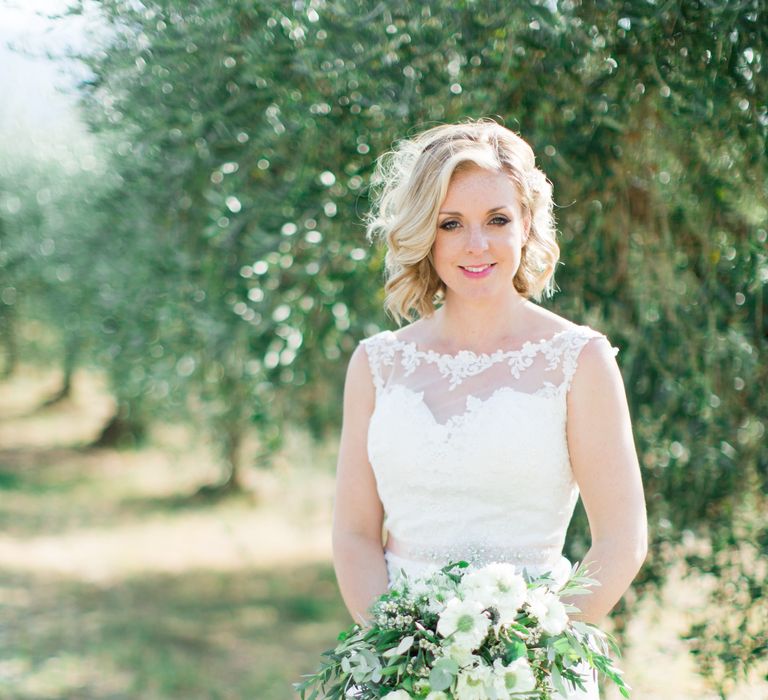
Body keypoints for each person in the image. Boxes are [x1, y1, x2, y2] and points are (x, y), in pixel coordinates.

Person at [331, 118, 647, 699]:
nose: (476, 245)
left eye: (497, 220)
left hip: (534, 671)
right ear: (426, 233)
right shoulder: (376, 365)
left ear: (526, 225)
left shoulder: (579, 360)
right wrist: (399, 649)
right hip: (401, 672)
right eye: (451, 224)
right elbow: (354, 534)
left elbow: (622, 539)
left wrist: (523, 652)